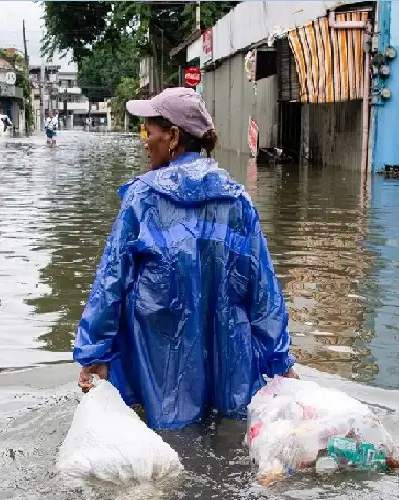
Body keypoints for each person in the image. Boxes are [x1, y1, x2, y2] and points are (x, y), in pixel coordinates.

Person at [73, 87, 297, 430]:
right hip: (230, 358)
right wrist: (280, 361)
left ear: (174, 136)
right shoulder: (237, 200)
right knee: (226, 440)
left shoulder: (143, 197)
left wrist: (94, 355)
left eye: (149, 131)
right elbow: (264, 293)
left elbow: (111, 281)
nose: (144, 141)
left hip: (160, 359)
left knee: (168, 445)